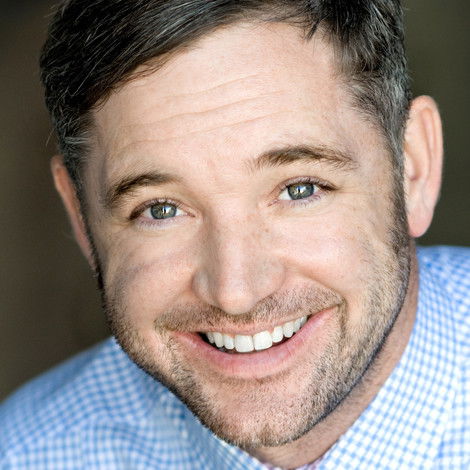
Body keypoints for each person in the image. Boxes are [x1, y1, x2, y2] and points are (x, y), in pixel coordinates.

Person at [0, 0, 468, 468]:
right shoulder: (28, 454)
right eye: (161, 210)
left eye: (300, 189)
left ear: (412, 168)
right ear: (81, 217)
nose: (236, 294)